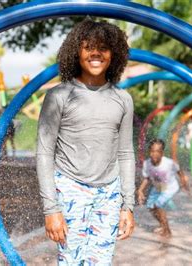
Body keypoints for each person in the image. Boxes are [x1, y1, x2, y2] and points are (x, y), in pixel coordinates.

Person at [36, 19, 135, 265]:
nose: (96, 53)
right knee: (71, 261)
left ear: (114, 55)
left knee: (101, 262)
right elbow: (44, 154)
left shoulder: (122, 99)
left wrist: (128, 205)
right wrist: (51, 209)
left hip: (109, 193)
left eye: (103, 48)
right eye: (88, 47)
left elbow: (125, 153)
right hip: (70, 188)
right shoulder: (59, 96)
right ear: (76, 52)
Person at [137, 138, 189, 238]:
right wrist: (140, 190)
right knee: (151, 207)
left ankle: (167, 230)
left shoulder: (169, 163)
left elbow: (179, 171)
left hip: (170, 188)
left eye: (157, 151)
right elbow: (147, 178)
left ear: (162, 152)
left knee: (158, 205)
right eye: (152, 151)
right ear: (149, 152)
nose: (154, 154)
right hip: (157, 188)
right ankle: (162, 225)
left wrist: (184, 182)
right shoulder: (147, 164)